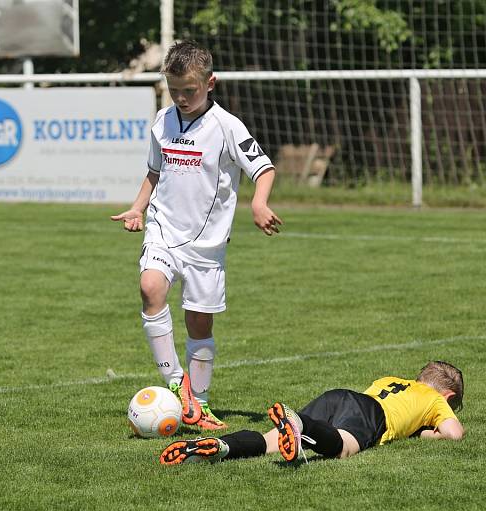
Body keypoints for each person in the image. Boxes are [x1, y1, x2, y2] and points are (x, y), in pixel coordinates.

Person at [111, 40, 281, 431]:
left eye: (190, 90)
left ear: (210, 83)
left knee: (198, 326)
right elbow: (155, 172)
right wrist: (138, 207)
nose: (182, 98)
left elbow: (263, 168)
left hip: (206, 246)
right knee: (150, 287)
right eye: (175, 90)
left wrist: (259, 203)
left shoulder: (227, 126)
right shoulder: (162, 120)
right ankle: (176, 382)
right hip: (164, 230)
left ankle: (199, 404)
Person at [160, 360, 465, 465]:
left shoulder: (391, 380)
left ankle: (223, 447)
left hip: (342, 395)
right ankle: (300, 423)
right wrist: (433, 431)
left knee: (269, 443)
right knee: (343, 448)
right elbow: (454, 434)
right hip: (373, 414)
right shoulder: (435, 399)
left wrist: (416, 429)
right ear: (448, 395)